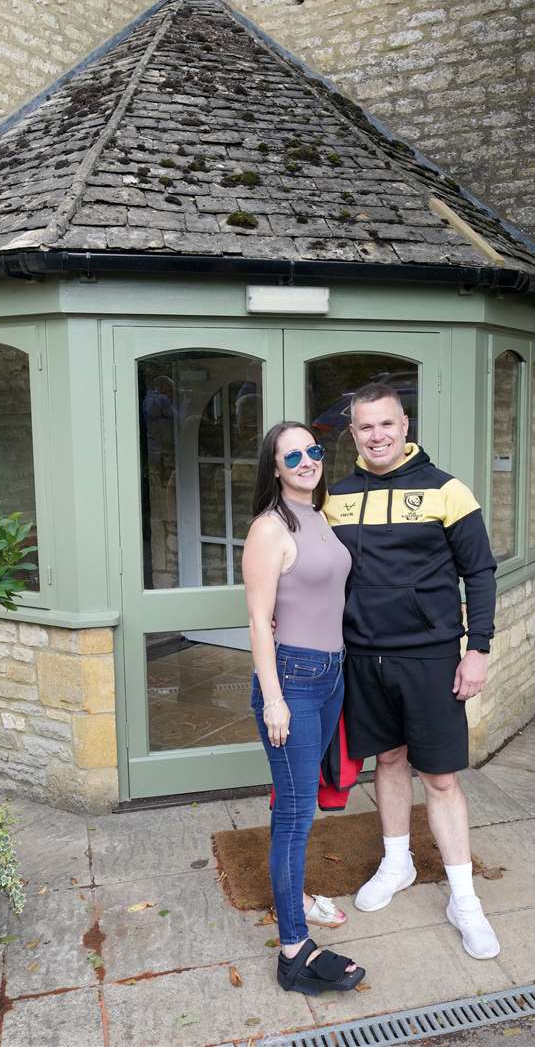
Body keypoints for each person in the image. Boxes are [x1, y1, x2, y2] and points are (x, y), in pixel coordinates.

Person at [323, 382, 501, 959]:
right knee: (388, 759)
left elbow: (480, 573)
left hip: (430, 653)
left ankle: (464, 898)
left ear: (405, 426)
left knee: (442, 778)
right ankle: (396, 863)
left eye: (386, 424)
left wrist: (479, 649)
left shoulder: (447, 491)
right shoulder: (338, 497)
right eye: (365, 427)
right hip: (362, 653)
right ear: (353, 433)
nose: (376, 435)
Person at [243, 420, 365, 995]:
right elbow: (258, 621)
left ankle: (298, 901)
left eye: (313, 451)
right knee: (294, 816)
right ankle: (293, 951)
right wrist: (273, 699)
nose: (306, 462)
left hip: (331, 673)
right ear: (274, 467)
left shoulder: (318, 516)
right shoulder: (269, 529)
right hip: (293, 678)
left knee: (298, 808)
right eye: (292, 457)